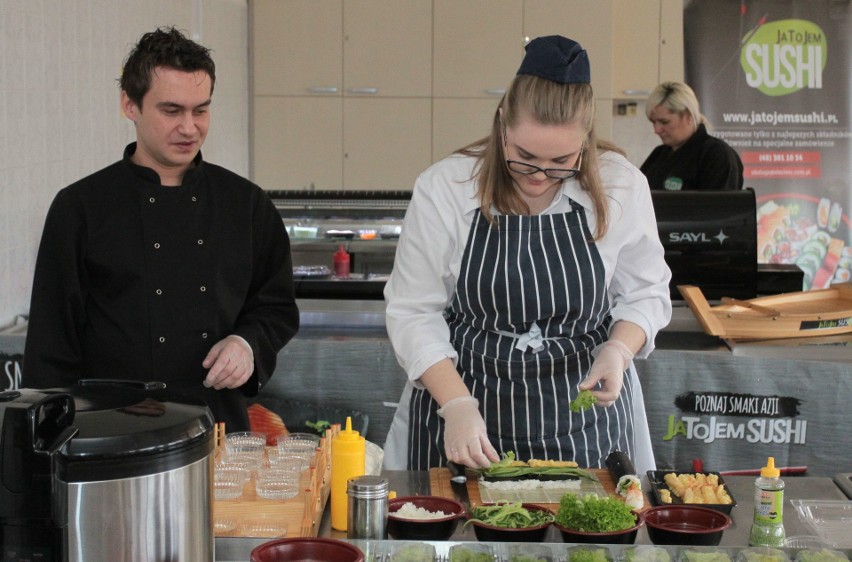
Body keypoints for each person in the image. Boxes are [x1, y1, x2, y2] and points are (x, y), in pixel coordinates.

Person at [383, 35, 672, 472]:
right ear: (502, 125)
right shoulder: (447, 187)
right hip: (468, 407)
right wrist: (456, 403)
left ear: (586, 140)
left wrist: (618, 350)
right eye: (524, 156)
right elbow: (412, 311)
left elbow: (648, 292)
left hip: (585, 419)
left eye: (561, 161)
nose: (539, 176)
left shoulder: (620, 186)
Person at [24, 27, 299, 431]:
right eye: (171, 111)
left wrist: (248, 343)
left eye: (200, 110)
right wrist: (51, 446)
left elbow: (275, 307)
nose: (189, 128)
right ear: (129, 105)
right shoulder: (80, 207)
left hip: (218, 429)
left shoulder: (246, 204)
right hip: (110, 434)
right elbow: (51, 348)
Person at [640, 81, 744, 191]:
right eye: (653, 122)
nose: (657, 130)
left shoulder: (717, 155)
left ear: (688, 116)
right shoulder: (658, 155)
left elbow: (720, 206)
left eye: (664, 122)